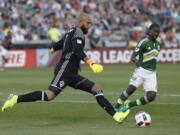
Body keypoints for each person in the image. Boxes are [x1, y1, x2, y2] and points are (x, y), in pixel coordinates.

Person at [1, 13, 129, 123]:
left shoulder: (70, 31)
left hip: (72, 72)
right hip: (65, 69)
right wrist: (91, 63)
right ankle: (15, 99)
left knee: (97, 89)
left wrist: (53, 48)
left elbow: (59, 44)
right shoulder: (78, 32)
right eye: (88, 23)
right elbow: (78, 51)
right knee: (49, 96)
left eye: (91, 23)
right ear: (81, 22)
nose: (90, 26)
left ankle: (116, 116)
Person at [114, 23, 161, 118]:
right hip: (141, 70)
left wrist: (155, 71)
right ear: (149, 31)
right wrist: (135, 61)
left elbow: (153, 59)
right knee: (130, 90)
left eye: (158, 32)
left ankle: (129, 105)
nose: (156, 34)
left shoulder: (158, 45)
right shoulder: (143, 42)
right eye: (155, 31)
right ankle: (116, 107)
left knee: (152, 96)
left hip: (151, 73)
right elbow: (133, 56)